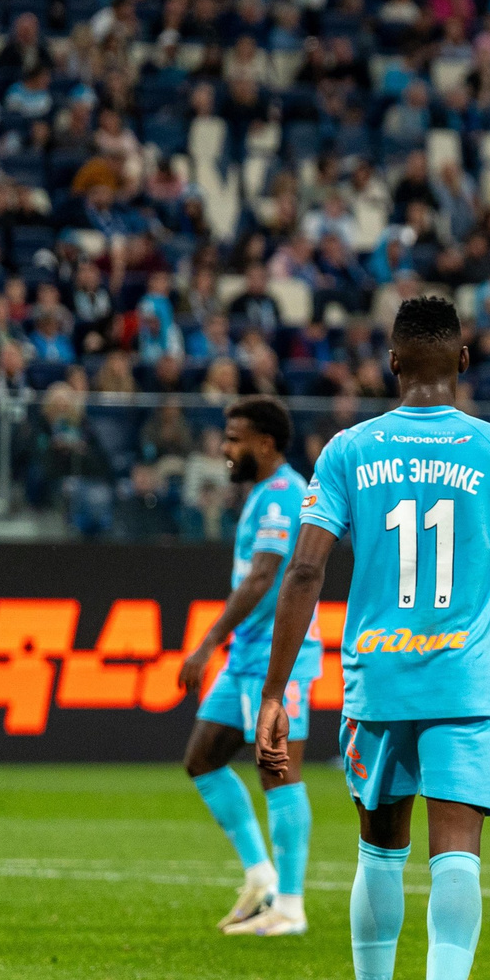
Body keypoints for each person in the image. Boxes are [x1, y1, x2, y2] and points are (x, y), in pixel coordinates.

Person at [259, 295, 490, 980]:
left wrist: (277, 691)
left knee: (379, 851)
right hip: (467, 682)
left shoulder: (350, 450)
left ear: (391, 364)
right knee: (456, 851)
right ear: (462, 361)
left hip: (377, 683)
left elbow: (307, 570)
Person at [173, 397, 323, 937]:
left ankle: (291, 905)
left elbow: (263, 577)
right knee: (204, 758)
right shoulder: (264, 493)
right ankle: (261, 876)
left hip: (279, 655)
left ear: (265, 442)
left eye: (234, 438)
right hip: (247, 656)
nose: (224, 448)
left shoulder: (284, 492)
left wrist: (207, 641)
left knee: (278, 771)